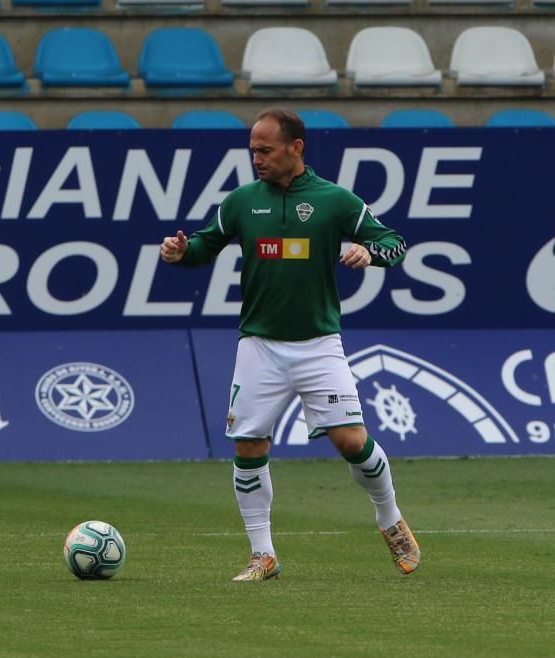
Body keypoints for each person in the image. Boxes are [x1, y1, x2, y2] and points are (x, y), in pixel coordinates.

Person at [160, 108, 419, 582]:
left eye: (265, 150)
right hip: (259, 345)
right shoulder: (242, 201)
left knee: (352, 441)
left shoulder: (334, 200)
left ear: (295, 148)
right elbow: (204, 245)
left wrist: (370, 251)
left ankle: (389, 517)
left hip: (319, 344)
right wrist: (181, 253)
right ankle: (263, 554)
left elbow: (395, 243)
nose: (256, 158)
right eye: (252, 150)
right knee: (249, 444)